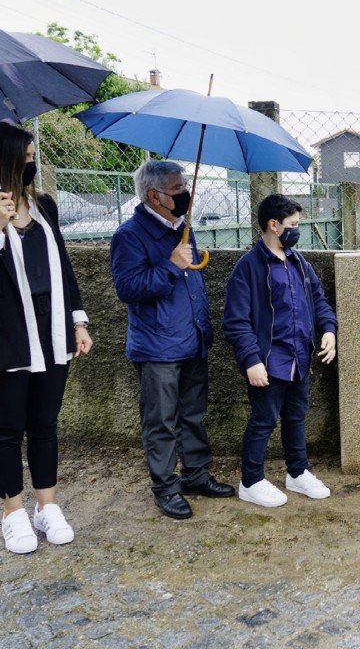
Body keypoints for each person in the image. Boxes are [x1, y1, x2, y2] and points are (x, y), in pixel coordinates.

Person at [0, 121, 93, 554]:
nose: (32, 165)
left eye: (33, 159)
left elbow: (62, 266)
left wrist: (78, 323)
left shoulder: (43, 205)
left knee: (44, 426)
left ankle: (48, 507)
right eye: (26, 159)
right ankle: (13, 512)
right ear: (2, 160)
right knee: (8, 429)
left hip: (51, 332)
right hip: (2, 337)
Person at [110, 160, 234, 520]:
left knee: (193, 415)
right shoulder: (129, 235)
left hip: (192, 339)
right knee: (161, 421)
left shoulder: (183, 229)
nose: (186, 195)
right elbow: (128, 288)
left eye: (184, 187)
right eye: (178, 190)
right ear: (154, 195)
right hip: (157, 346)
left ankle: (195, 475)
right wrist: (170, 265)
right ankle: (165, 487)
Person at [222, 194, 338, 507]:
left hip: (299, 358)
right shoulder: (248, 268)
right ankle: (251, 481)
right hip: (268, 363)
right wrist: (251, 360)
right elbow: (235, 322)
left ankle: (297, 473)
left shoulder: (300, 263)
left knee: (296, 417)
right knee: (263, 420)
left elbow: (318, 301)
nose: (297, 230)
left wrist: (328, 330)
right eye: (294, 225)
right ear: (274, 225)